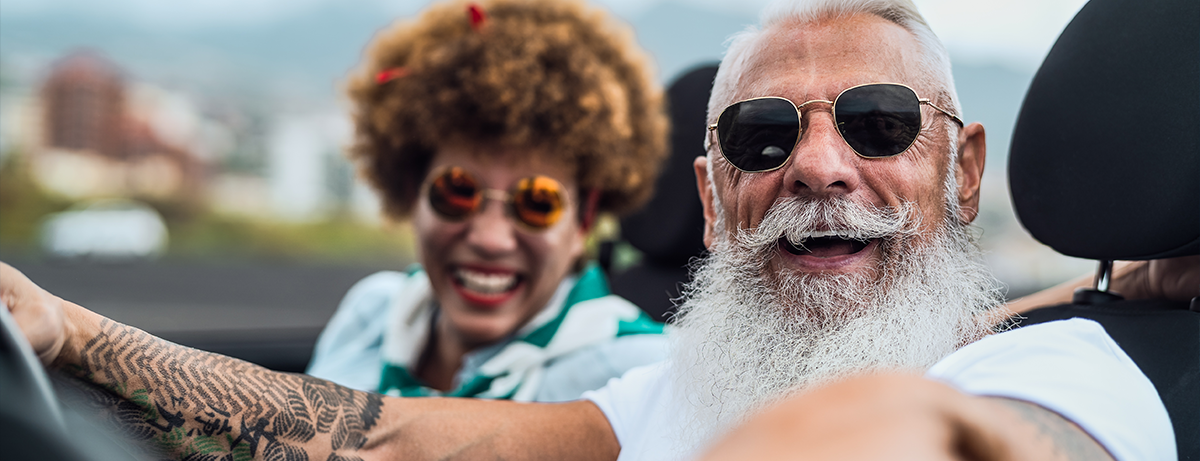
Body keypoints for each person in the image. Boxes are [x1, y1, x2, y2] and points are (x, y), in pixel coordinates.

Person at [0, 0, 1189, 460]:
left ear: (962, 168)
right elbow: (384, 437)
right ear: (716, 195)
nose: (821, 164)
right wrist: (59, 329)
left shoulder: (1068, 368)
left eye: (879, 124)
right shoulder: (676, 379)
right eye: (763, 137)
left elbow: (954, 434)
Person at [304, 0, 670, 401]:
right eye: (457, 191)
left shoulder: (645, 374)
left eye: (538, 202)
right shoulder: (371, 314)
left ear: (583, 220)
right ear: (413, 193)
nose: (491, 239)